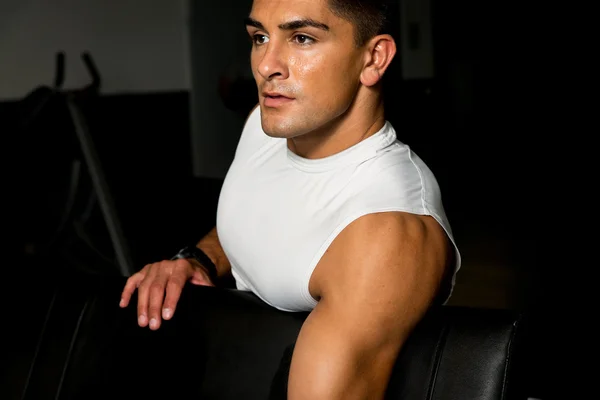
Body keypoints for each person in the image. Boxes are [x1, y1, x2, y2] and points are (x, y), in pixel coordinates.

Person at [120, 0, 461, 398]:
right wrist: (200, 260)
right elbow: (267, 212)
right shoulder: (267, 128)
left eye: (301, 38)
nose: (266, 65)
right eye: (260, 37)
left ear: (374, 58)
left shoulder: (385, 234)